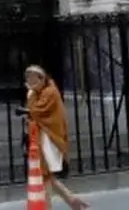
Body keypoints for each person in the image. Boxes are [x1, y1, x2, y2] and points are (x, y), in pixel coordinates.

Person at [22, 64, 90, 210]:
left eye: (34, 80)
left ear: (42, 79)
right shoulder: (39, 92)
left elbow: (36, 111)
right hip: (43, 138)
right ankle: (71, 200)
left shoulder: (50, 92)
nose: (31, 83)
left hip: (50, 139)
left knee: (44, 175)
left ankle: (58, 204)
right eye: (28, 80)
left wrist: (30, 94)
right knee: (45, 175)